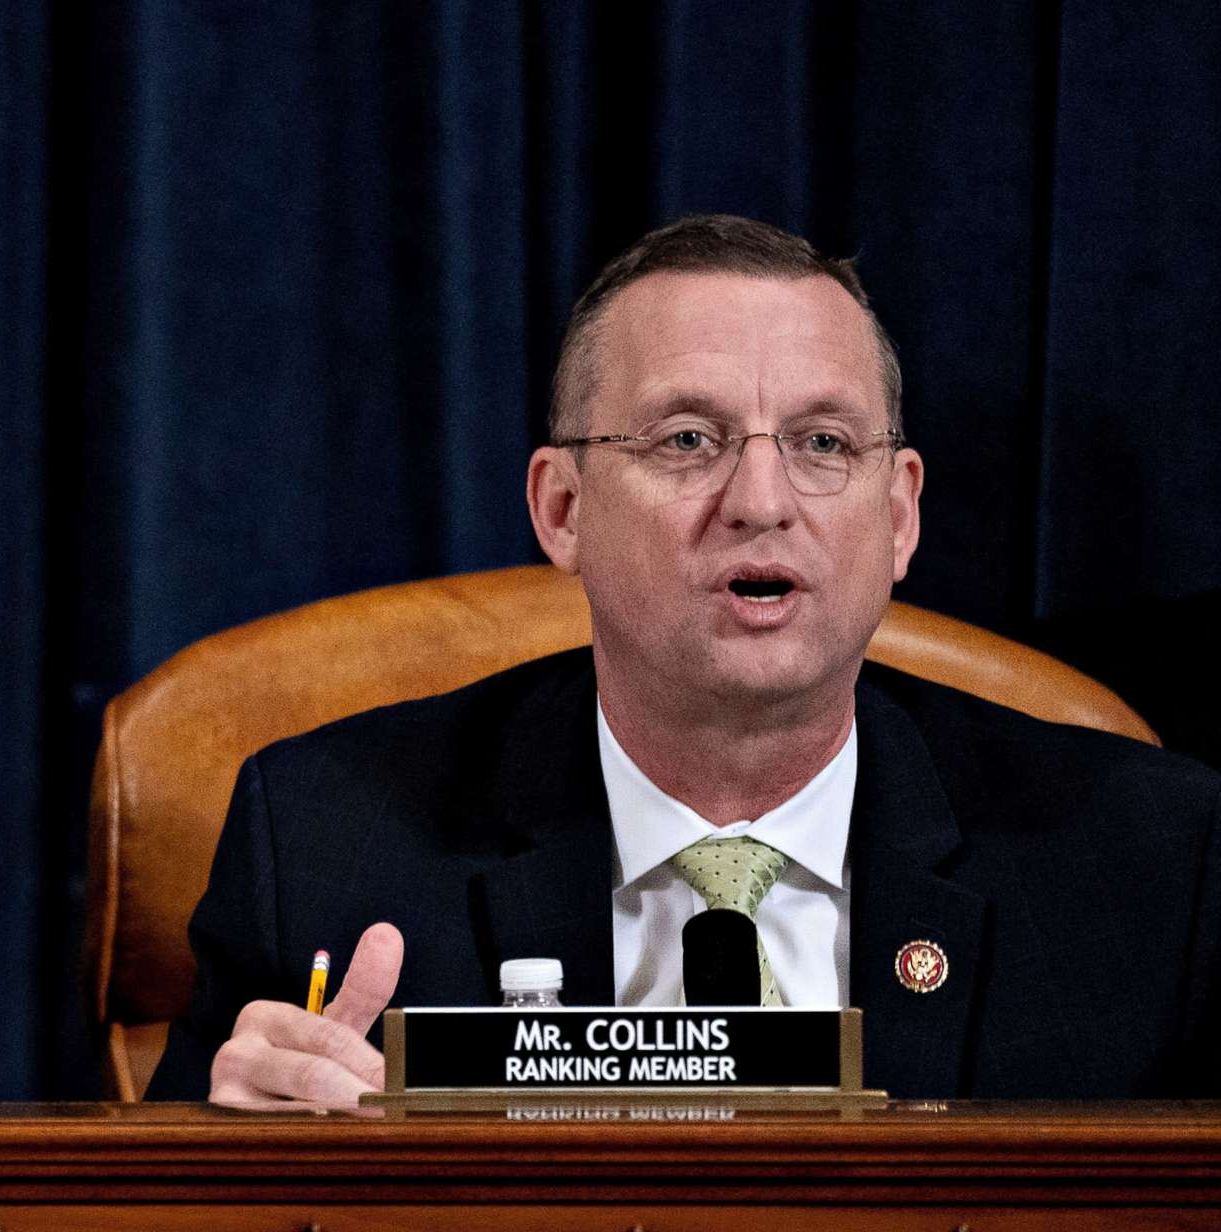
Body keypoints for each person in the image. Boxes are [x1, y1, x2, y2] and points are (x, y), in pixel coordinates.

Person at [152, 215, 1221, 1105]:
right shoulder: (326, 847)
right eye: (687, 441)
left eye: (822, 444)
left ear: (899, 517)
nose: (761, 504)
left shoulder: (1149, 867)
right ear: (561, 509)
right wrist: (232, 1176)